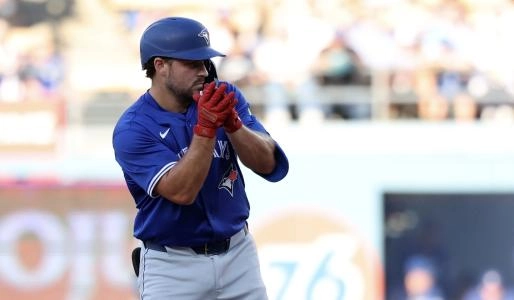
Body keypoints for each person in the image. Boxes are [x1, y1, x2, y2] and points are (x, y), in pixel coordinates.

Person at [112, 17, 289, 299]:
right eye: (192, 63)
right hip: (172, 265)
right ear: (160, 65)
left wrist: (234, 126)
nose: (204, 71)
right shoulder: (133, 128)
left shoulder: (223, 96)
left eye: (205, 62)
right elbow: (182, 191)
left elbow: (269, 164)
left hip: (237, 254)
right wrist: (206, 129)